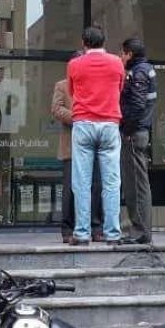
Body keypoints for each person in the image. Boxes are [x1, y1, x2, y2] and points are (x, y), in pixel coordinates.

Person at [66, 26, 124, 246]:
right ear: (104, 42)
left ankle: (82, 233)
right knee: (111, 182)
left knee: (81, 182)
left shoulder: (74, 64)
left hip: (83, 123)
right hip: (109, 123)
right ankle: (113, 234)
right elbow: (119, 89)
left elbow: (71, 92)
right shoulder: (117, 63)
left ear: (84, 43)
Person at [50, 77, 102, 243]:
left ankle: (96, 228)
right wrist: (78, 118)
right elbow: (56, 109)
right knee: (71, 190)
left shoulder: (95, 84)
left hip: (94, 144)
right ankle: (68, 229)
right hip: (71, 146)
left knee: (96, 187)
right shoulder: (62, 85)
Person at [119, 36, 157, 245]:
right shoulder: (146, 69)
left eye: (123, 53)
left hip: (135, 133)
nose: (121, 57)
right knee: (137, 182)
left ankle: (140, 231)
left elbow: (137, 104)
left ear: (130, 54)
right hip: (139, 132)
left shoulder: (139, 72)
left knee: (135, 184)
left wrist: (127, 129)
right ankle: (140, 229)